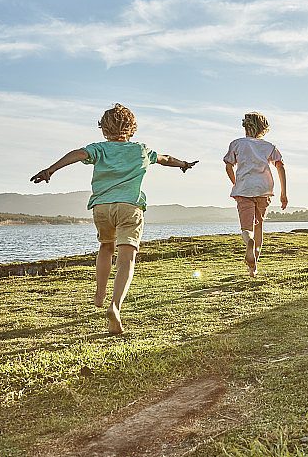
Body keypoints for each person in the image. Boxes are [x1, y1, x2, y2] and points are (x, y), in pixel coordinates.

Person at [30, 103, 197, 334]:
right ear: (132, 129)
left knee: (106, 247)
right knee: (127, 258)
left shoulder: (99, 148)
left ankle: (100, 293)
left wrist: (51, 169)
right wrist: (183, 165)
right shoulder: (141, 150)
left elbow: (78, 154)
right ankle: (115, 306)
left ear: (103, 129)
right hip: (129, 206)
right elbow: (166, 158)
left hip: (102, 207)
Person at [224, 112, 287, 277]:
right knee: (259, 226)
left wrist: (235, 183)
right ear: (263, 129)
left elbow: (229, 166)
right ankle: (253, 268)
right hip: (263, 189)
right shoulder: (269, 146)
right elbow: (280, 167)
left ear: (245, 128)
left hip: (244, 190)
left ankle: (248, 242)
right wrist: (283, 193)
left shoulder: (236, 144)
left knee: (247, 229)